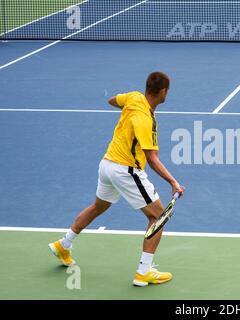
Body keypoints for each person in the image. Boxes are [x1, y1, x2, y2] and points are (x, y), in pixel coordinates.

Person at [48, 71, 185, 286]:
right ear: (162, 91)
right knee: (158, 216)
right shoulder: (145, 120)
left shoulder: (133, 97)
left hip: (106, 165)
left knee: (98, 207)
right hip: (125, 171)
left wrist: (127, 110)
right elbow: (152, 158)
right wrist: (173, 182)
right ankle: (144, 272)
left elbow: (112, 100)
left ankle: (63, 245)